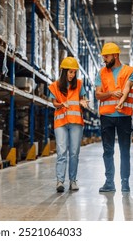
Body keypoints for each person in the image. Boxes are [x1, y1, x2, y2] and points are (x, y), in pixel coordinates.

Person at [95, 42, 133, 193]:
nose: (104, 59)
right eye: (103, 56)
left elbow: (127, 89)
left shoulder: (130, 71)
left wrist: (120, 101)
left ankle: (125, 182)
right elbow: (98, 94)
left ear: (115, 55)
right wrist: (111, 93)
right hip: (106, 116)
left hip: (124, 116)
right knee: (108, 151)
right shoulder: (101, 73)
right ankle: (109, 182)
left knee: (125, 150)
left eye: (106, 56)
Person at [48, 57, 89, 193]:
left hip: (76, 123)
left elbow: (82, 99)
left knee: (74, 153)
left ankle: (73, 181)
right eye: (70, 72)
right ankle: (60, 181)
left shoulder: (79, 84)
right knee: (61, 152)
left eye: (74, 72)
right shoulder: (55, 85)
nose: (72, 75)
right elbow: (54, 103)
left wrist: (84, 103)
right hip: (60, 122)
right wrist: (61, 104)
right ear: (64, 71)